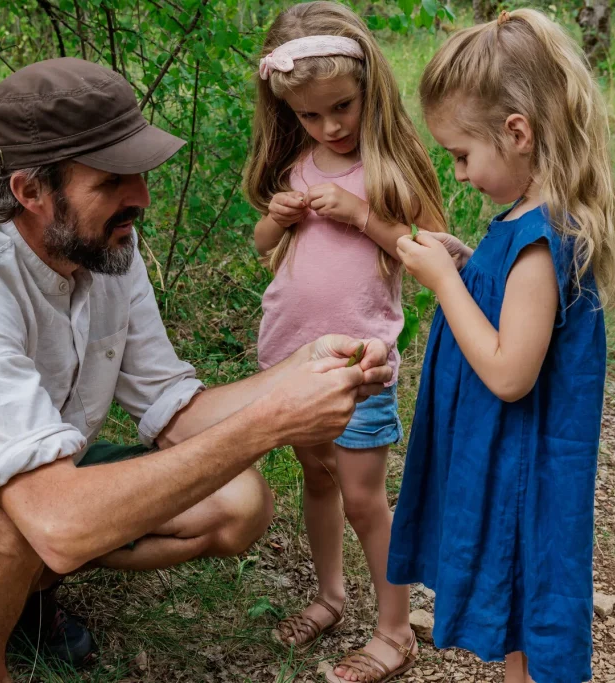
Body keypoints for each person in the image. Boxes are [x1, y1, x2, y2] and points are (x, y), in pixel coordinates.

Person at [0, 58, 394, 683]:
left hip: (38, 483)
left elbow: (173, 407)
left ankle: (17, 588)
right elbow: (57, 520)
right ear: (29, 190)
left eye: (138, 174)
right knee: (11, 511)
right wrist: (269, 423)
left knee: (237, 503)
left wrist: (302, 366)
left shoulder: (104, 247)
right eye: (112, 181)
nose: (139, 198)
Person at [388, 9, 615, 683]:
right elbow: (513, 302)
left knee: (529, 596)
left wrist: (443, 284)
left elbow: (508, 372)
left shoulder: (538, 239)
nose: (459, 174)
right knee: (519, 617)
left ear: (517, 132)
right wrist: (468, 263)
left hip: (524, 467)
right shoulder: (530, 220)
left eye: (462, 156)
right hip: (513, 458)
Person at [244, 3, 449, 682]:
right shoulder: (298, 162)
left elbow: (431, 251)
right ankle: (331, 594)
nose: (329, 125)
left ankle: (395, 630)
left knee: (364, 496)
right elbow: (262, 245)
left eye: (342, 107)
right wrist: (275, 219)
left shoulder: (389, 163)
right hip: (291, 355)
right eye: (310, 115)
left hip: (359, 363)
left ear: (370, 90)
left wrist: (364, 216)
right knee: (316, 475)